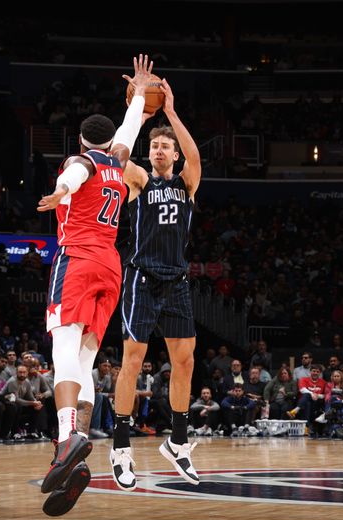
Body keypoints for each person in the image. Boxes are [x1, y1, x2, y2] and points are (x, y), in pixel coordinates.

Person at [36, 55, 153, 516]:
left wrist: (62, 190)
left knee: (62, 352)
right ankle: (77, 450)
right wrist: (140, 95)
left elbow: (76, 173)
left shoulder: (80, 160)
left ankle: (67, 440)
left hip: (78, 259)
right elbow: (127, 135)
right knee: (84, 357)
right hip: (111, 264)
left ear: (83, 140)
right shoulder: (120, 166)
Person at [110, 72, 203, 492]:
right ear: (149, 154)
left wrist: (169, 111)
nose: (160, 148)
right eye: (155, 145)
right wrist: (140, 114)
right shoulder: (140, 181)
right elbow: (115, 153)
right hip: (143, 279)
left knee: (184, 362)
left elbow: (196, 155)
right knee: (133, 360)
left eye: (166, 145)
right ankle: (121, 447)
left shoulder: (187, 183)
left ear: (174, 153)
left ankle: (178, 442)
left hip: (177, 281)